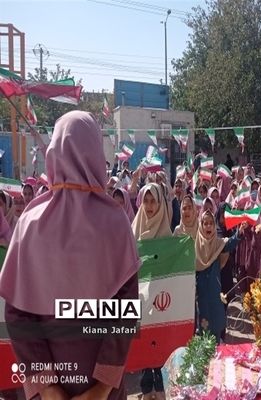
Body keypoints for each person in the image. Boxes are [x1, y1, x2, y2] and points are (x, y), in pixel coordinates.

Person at [0, 111, 140, 400]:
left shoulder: (29, 222)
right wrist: (101, 389)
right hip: (104, 391)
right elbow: (125, 314)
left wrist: (49, 388)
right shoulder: (115, 222)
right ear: (94, 153)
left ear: (54, 153)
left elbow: (17, 314)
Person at [131, 183, 172, 400]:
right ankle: (146, 387)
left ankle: (162, 384)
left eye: (153, 201)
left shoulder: (167, 234)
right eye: (145, 201)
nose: (149, 206)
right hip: (140, 297)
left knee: (161, 342)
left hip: (162, 299)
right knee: (144, 341)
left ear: (159, 204)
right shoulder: (134, 229)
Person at [196, 211, 247, 339]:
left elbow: (229, 244)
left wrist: (239, 232)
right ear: (201, 225)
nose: (208, 226)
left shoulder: (218, 243)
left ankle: (217, 353)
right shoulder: (196, 245)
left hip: (215, 292)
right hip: (201, 294)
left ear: (214, 226)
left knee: (216, 325)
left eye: (211, 223)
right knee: (204, 328)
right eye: (205, 223)